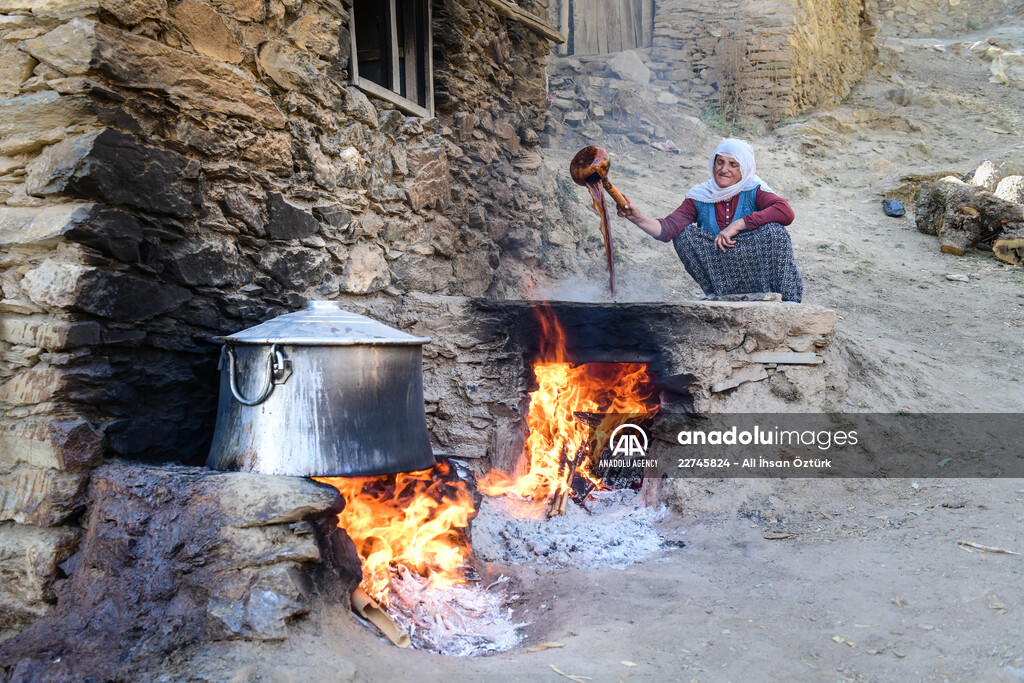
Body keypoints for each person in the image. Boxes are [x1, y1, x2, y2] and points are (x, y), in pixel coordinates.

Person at [618, 138, 803, 302]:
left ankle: (787, 300)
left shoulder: (754, 189)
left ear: (744, 168)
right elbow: (668, 229)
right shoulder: (700, 195)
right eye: (720, 162)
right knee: (683, 235)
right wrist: (638, 218)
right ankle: (719, 295)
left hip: (758, 269)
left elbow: (786, 212)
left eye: (733, 164)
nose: (724, 170)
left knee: (775, 231)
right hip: (722, 270)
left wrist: (740, 224)